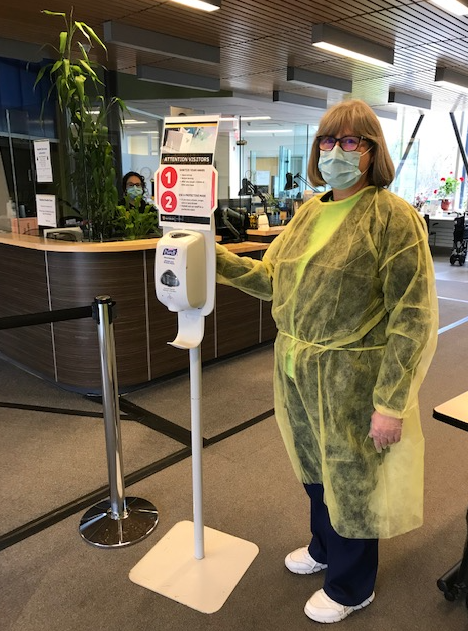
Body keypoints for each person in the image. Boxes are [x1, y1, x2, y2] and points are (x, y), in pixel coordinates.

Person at [215, 99, 438, 624]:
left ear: (372, 151)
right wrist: (213, 258)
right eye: (328, 141)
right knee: (314, 469)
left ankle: (351, 583)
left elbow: (412, 317)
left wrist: (390, 402)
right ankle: (323, 545)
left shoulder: (392, 217)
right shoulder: (309, 210)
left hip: (353, 377)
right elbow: (272, 280)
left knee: (352, 477)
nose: (336, 151)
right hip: (296, 368)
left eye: (351, 141)